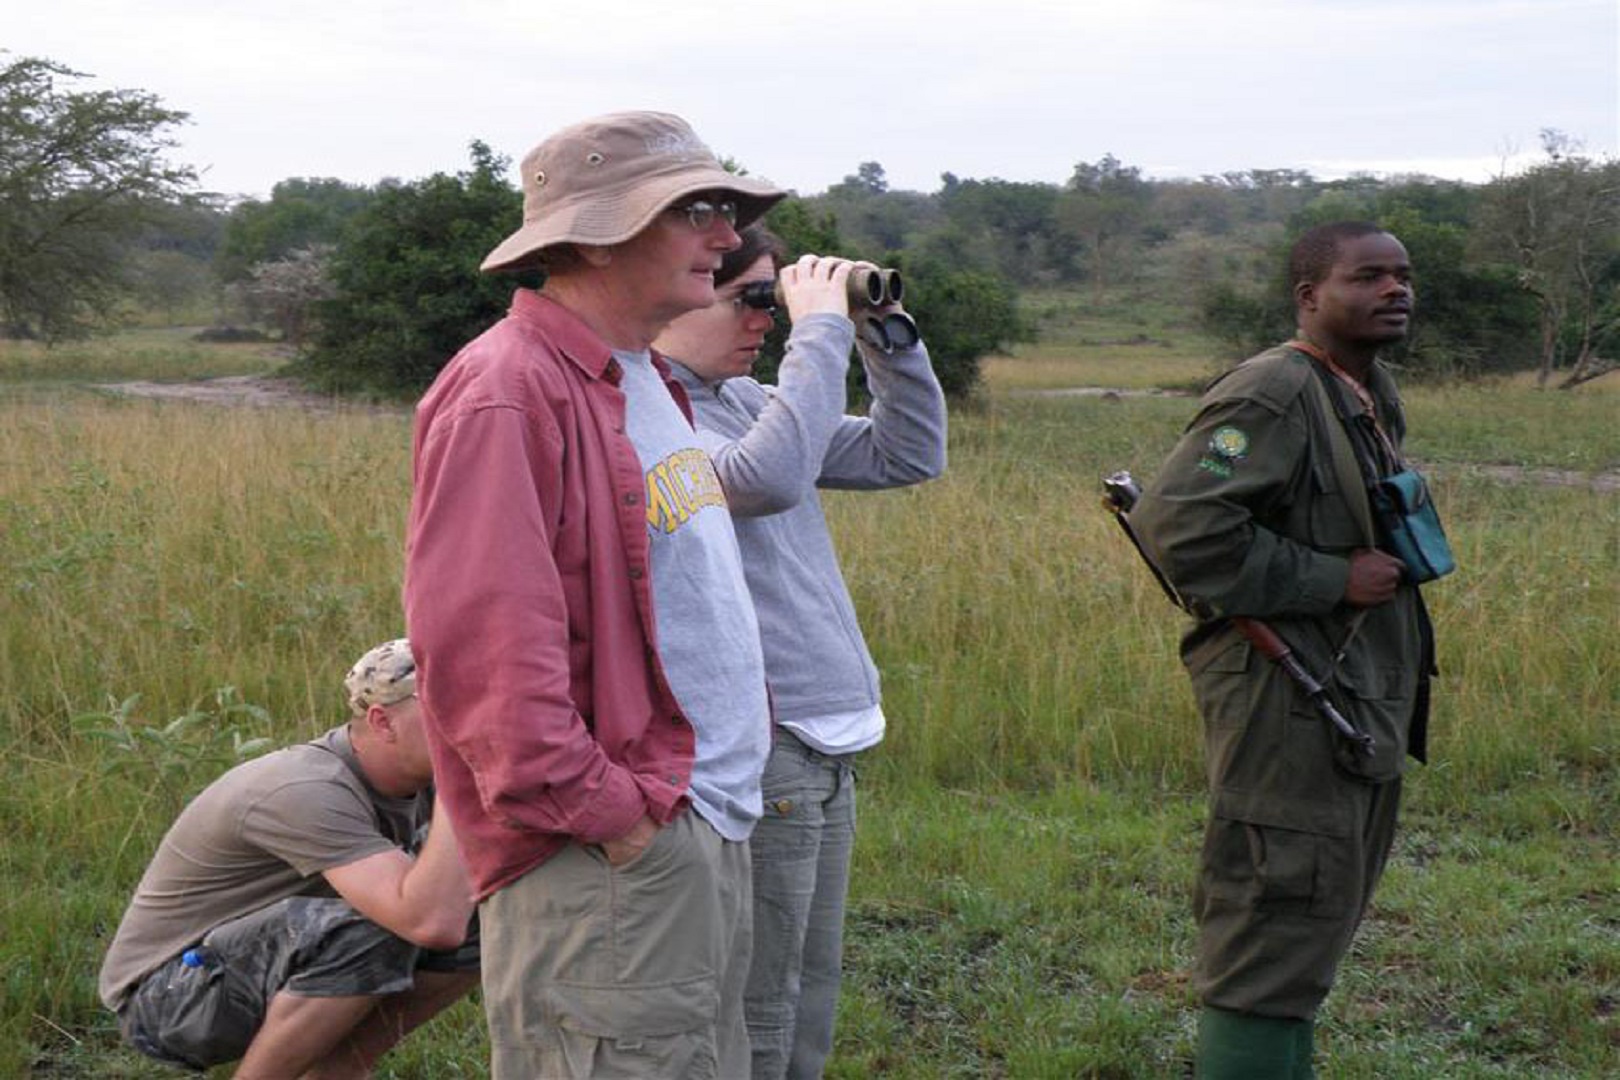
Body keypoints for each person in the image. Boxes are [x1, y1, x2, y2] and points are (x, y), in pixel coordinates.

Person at [403, 111, 857, 1079]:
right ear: (603, 232)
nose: (729, 239)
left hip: (702, 835)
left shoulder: (645, 381)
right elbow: (488, 670)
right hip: (614, 865)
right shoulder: (508, 393)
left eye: (724, 212)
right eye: (697, 211)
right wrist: (625, 822)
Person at [1129, 221, 1439, 1078]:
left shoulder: (1362, 389)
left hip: (1343, 697)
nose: (1394, 291)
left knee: (1310, 929)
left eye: (1403, 276)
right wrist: (1329, 578)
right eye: (1367, 277)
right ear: (1310, 297)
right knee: (1273, 924)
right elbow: (1177, 525)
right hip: (1284, 697)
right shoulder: (1271, 393)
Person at [652, 225, 947, 1078]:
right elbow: (766, 477)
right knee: (763, 996)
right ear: (678, 294)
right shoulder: (653, 416)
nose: (767, 322)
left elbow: (907, 453)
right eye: (752, 299)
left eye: (774, 302)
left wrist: (880, 329)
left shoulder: (741, 401)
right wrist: (819, 331)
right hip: (764, 738)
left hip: (823, 737)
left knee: (809, 981)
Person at [98, 639, 478, 1078]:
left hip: (251, 966)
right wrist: (462, 782)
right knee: (373, 929)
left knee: (485, 913)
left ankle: (337, 1069)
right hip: (166, 997)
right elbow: (430, 922)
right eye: (446, 711)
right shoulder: (306, 790)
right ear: (382, 722)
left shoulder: (417, 778)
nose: (465, 726)